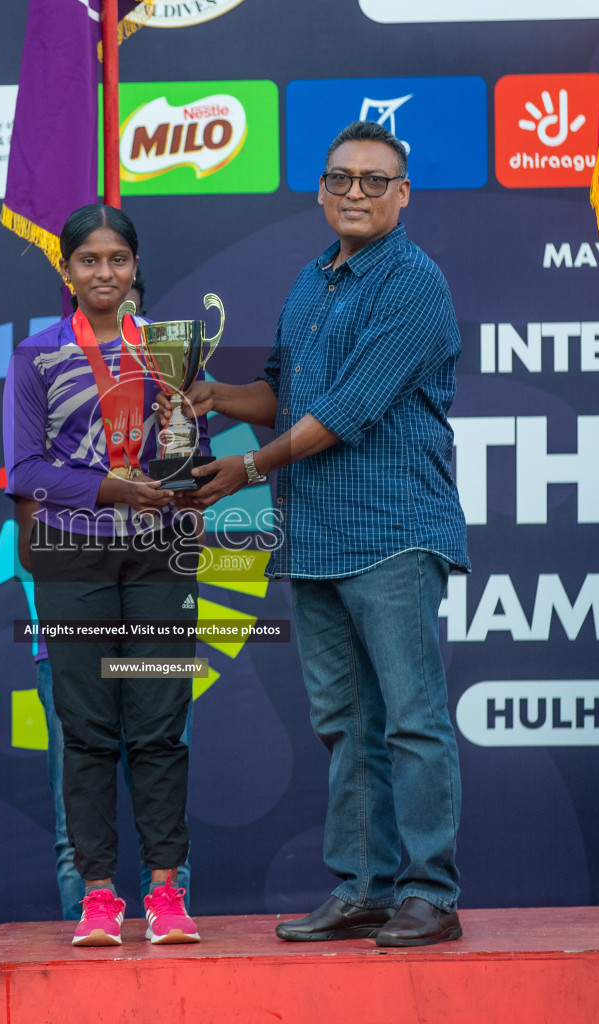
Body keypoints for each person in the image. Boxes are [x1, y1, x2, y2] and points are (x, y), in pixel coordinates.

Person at [166, 120, 467, 947]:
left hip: (396, 529)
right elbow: (285, 392)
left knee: (410, 718)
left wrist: (248, 468)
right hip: (317, 537)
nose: (357, 194)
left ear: (403, 195)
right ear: (321, 190)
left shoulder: (414, 283)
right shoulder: (312, 280)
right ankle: (366, 886)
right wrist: (213, 397)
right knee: (345, 722)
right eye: (342, 179)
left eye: (376, 181)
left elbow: (345, 412)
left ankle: (431, 893)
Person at [4, 204, 204, 946]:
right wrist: (112, 489)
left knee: (158, 725)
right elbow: (25, 471)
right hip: (72, 556)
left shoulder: (171, 350)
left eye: (118, 260)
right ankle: (97, 895)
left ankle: (164, 892)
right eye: (89, 261)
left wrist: (188, 489)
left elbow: (190, 452)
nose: (104, 274)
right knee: (87, 729)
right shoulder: (37, 355)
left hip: (157, 557)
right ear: (66, 272)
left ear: (134, 269)